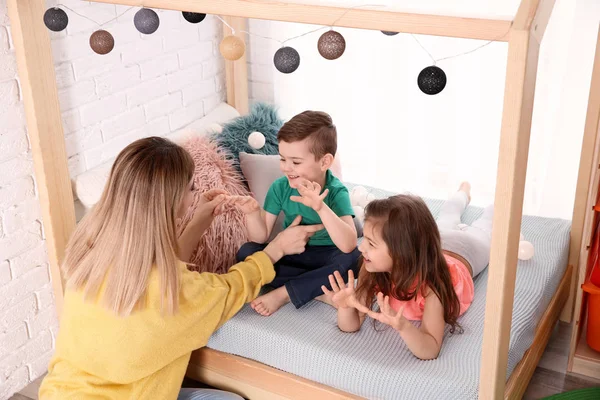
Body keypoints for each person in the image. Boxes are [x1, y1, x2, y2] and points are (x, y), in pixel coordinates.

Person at [39, 137, 323, 400]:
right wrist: (277, 249)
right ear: (170, 201)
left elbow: (161, 268)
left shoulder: (92, 247)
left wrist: (199, 220)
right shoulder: (176, 292)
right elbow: (229, 289)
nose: (193, 195)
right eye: (190, 188)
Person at [322, 183, 493, 360]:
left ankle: (490, 198)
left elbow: (431, 348)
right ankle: (463, 192)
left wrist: (404, 326)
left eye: (371, 243)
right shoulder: (371, 267)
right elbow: (351, 325)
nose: (361, 248)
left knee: (486, 224)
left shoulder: (432, 289)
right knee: (448, 216)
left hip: (467, 250)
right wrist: (345, 307)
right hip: (437, 242)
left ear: (401, 252)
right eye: (364, 239)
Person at [230, 111, 360, 316]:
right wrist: (252, 214)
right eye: (282, 159)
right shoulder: (280, 188)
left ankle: (284, 293)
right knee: (247, 252)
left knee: (354, 259)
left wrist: (321, 207)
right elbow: (261, 236)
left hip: (326, 255)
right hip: (291, 253)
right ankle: (315, 290)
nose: (286, 168)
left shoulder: (336, 192)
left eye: (296, 162)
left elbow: (348, 244)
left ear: (325, 162)